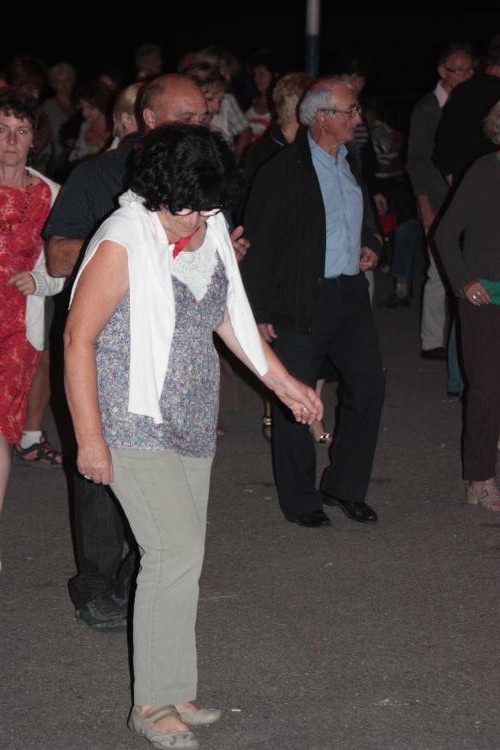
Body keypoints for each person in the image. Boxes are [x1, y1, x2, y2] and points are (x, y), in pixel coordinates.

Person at [63, 122, 322, 750]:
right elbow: (77, 339)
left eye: (207, 209)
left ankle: (175, 688)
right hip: (131, 414)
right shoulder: (123, 240)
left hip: (191, 415)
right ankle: (151, 705)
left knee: (184, 556)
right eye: (186, 210)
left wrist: (285, 384)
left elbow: (230, 319)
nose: (198, 222)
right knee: (173, 552)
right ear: (157, 194)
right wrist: (90, 441)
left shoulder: (209, 226)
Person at [44, 73, 250, 631]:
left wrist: (213, 250)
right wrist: (132, 248)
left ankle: (138, 587)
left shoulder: (200, 176)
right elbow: (59, 257)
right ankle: (95, 586)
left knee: (168, 519)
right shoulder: (99, 176)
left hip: (175, 368)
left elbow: (211, 272)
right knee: (101, 474)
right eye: (187, 117)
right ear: (149, 119)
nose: (199, 126)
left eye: (205, 118)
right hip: (113, 353)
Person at [241, 77, 384, 528]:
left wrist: (371, 243)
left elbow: (361, 217)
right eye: (350, 111)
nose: (358, 119)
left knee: (368, 387)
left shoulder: (349, 161)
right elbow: (258, 244)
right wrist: (259, 312)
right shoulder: (282, 170)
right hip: (302, 298)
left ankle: (345, 486)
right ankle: (301, 499)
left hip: (350, 295)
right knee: (295, 400)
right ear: (323, 117)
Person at [0, 88, 64, 530]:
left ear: (33, 139)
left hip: (17, 334)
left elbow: (65, 266)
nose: (10, 140)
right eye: (2, 130)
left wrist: (40, 281)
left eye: (20, 131)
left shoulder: (50, 195)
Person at [434, 100, 500, 510]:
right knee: (487, 388)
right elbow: (445, 233)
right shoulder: (485, 171)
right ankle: (480, 476)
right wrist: (464, 281)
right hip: (486, 299)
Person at [408, 43, 475, 364]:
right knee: (438, 270)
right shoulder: (427, 109)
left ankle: (460, 339)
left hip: (467, 200)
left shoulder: (470, 102)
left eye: (469, 70)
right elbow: (416, 161)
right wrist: (424, 204)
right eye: (458, 70)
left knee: (466, 268)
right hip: (437, 200)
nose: (465, 75)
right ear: (442, 71)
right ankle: (432, 339)